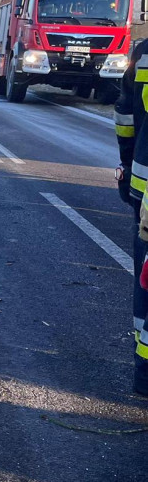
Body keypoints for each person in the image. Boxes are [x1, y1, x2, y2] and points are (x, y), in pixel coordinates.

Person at [114, 37, 148, 395]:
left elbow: (126, 117)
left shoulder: (143, 54)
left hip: (146, 191)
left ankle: (145, 375)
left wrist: (126, 163)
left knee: (146, 280)